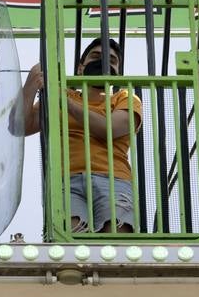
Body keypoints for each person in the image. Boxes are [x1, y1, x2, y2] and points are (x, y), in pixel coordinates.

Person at [21, 38, 143, 233]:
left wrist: (64, 102)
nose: (103, 62)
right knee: (74, 239)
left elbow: (109, 128)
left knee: (116, 236)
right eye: (96, 56)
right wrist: (31, 84)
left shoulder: (125, 98)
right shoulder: (61, 96)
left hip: (113, 179)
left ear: (117, 73)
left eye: (111, 60)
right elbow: (20, 127)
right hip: (66, 180)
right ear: (80, 68)